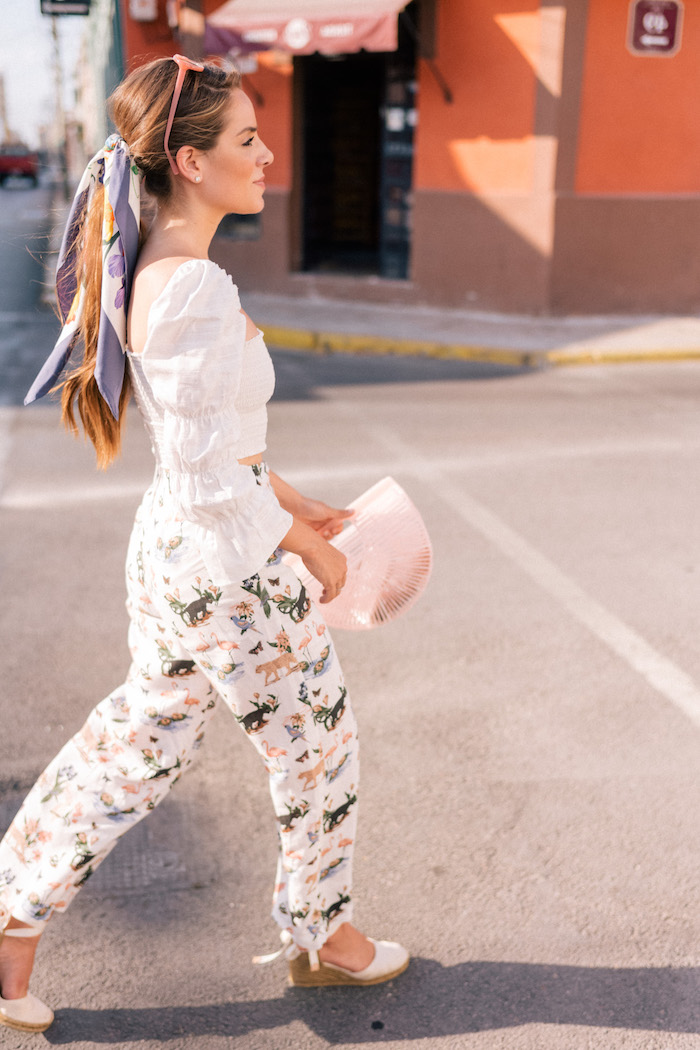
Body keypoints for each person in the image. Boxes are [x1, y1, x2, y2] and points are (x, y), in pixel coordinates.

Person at [0, 54, 408, 1034]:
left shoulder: (172, 278)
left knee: (133, 750)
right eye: (245, 141)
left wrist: (305, 510)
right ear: (187, 161)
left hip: (193, 556)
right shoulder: (192, 289)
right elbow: (211, 473)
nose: (268, 155)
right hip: (227, 571)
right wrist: (312, 555)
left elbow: (224, 450)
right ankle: (322, 935)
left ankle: (11, 925)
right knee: (316, 752)